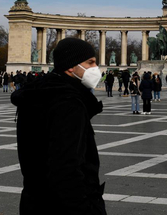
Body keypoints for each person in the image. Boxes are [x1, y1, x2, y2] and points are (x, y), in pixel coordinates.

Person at [10, 38, 106, 213]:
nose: (96, 68)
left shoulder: (35, 95)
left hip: (35, 200)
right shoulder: (68, 103)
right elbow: (66, 168)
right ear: (70, 66)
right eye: (90, 62)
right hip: (62, 206)